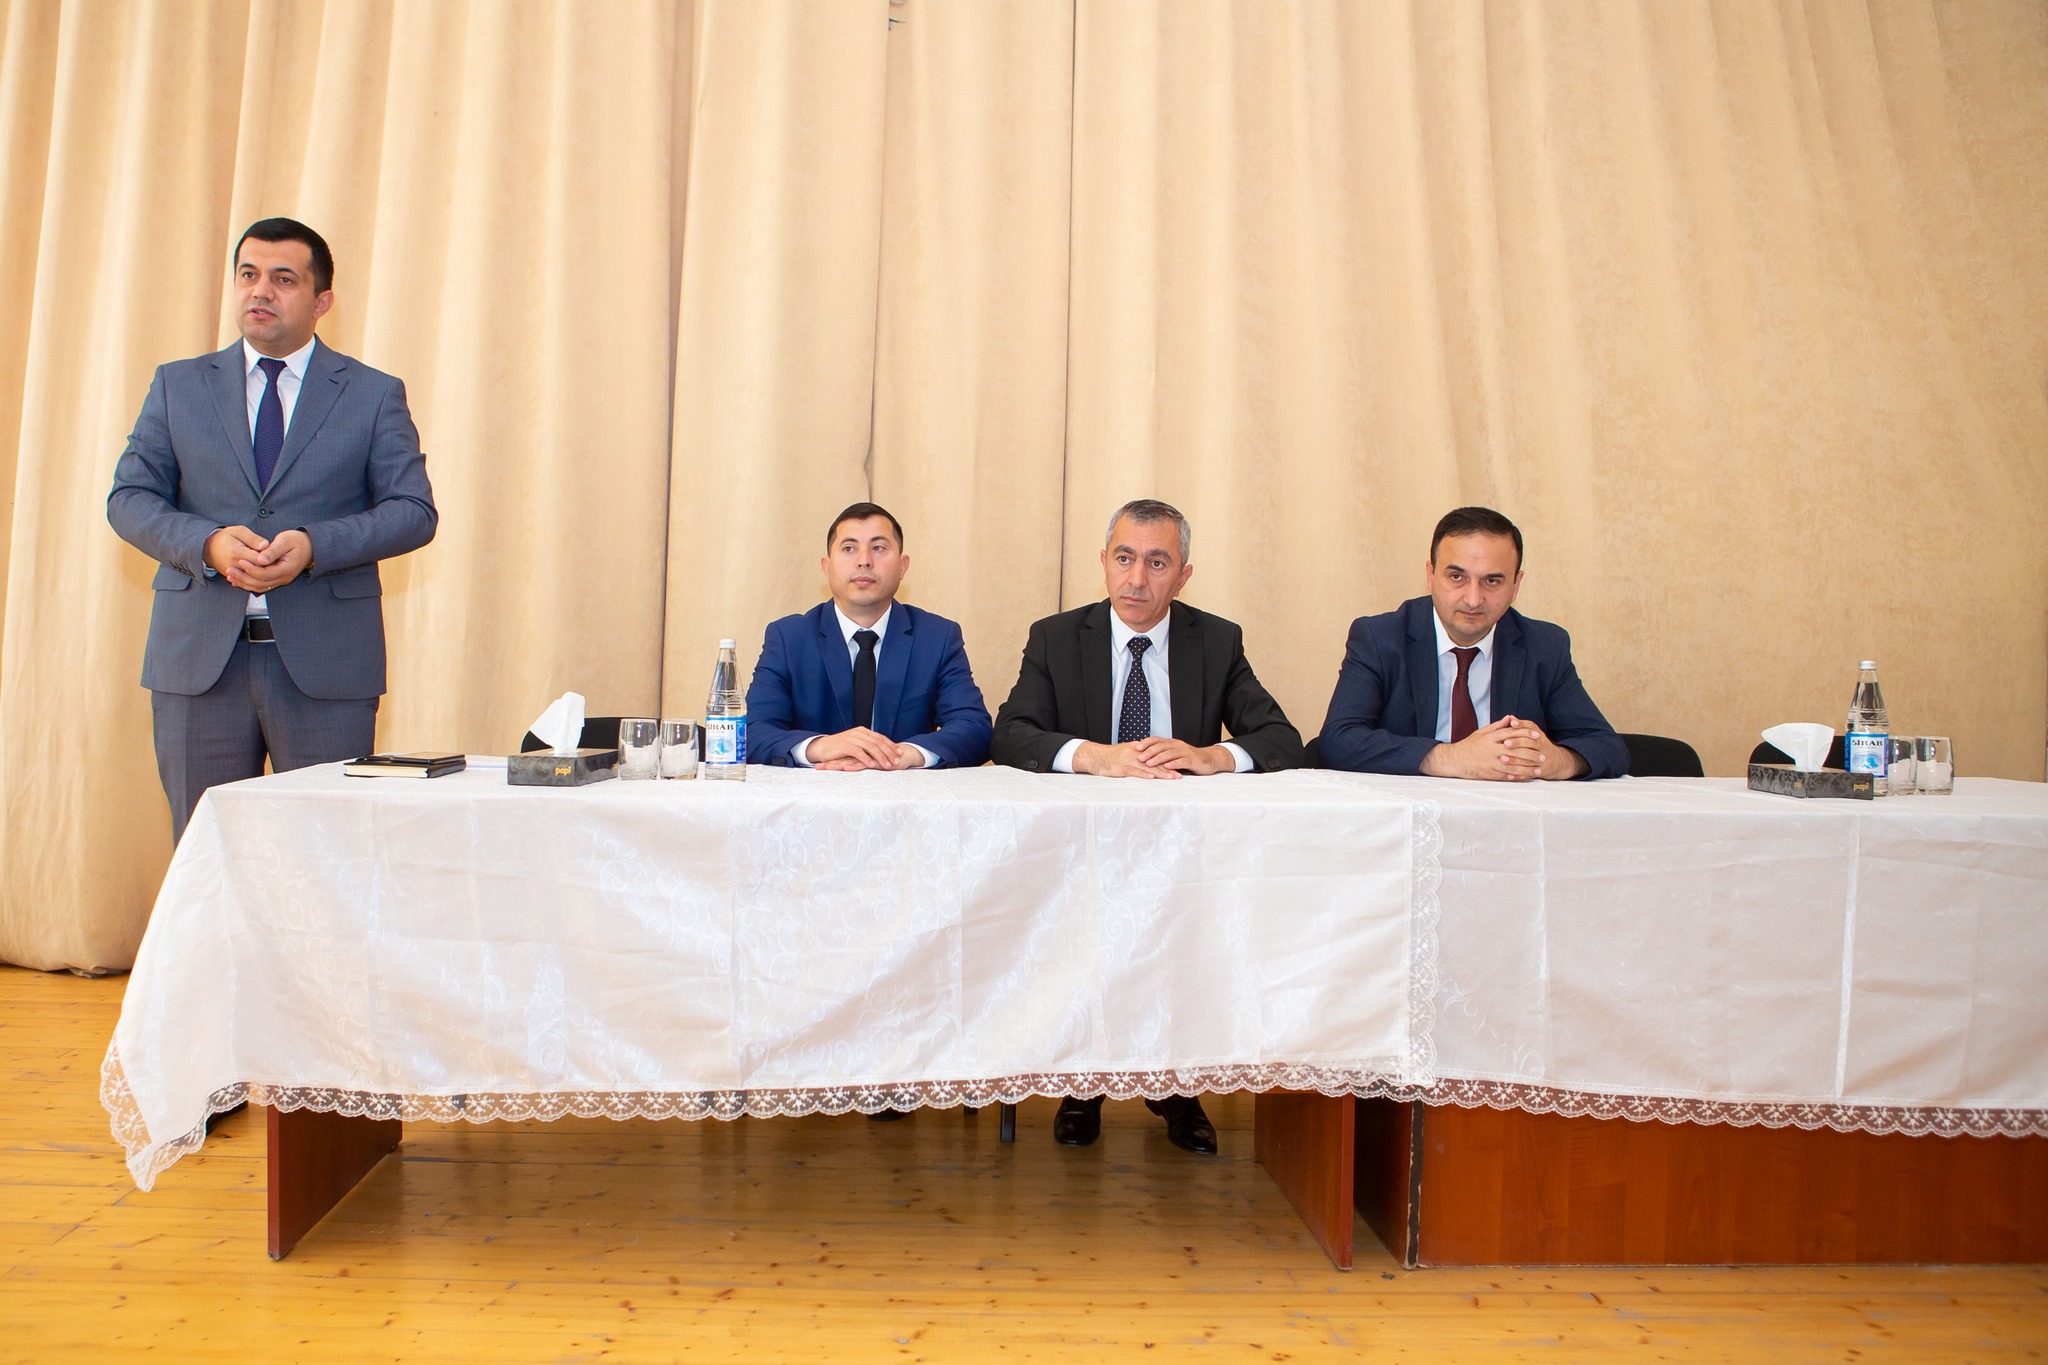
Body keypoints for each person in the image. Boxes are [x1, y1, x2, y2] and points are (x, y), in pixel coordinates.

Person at [108, 217, 438, 843]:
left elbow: (413, 511)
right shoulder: (178, 385)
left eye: (283, 279)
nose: (260, 290)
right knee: (208, 854)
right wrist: (207, 544)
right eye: (248, 275)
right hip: (198, 664)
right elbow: (129, 498)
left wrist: (315, 546)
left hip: (325, 668)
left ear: (321, 301)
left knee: (327, 855)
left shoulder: (372, 394)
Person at [990, 498, 1304, 1155]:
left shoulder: (1215, 640)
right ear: (1103, 563)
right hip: (1082, 849)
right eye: (1125, 558)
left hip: (1181, 853)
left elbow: (1282, 738)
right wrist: (1096, 757)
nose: (1137, 579)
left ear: (1183, 576)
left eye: (1157, 563)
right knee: (1089, 937)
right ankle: (1085, 1085)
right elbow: (1010, 732)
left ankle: (1177, 1088)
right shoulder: (1056, 637)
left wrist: (1212, 756)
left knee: (1182, 942)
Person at [1318, 506, 1626, 781]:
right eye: (1457, 577)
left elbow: (1607, 747)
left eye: (1492, 581)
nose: (1474, 599)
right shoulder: (1380, 637)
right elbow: (1338, 740)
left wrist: (1555, 761)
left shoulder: (1544, 646)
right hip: (1413, 811)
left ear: (1515, 585)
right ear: (1431, 575)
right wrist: (1452, 758)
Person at [746, 502, 992, 772]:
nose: (864, 560)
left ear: (903, 566)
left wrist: (903, 754)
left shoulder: (937, 637)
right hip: (813, 793)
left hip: (903, 793)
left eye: (878, 548)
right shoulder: (788, 638)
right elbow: (752, 730)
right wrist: (820, 747)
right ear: (827, 567)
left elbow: (974, 728)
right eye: (849, 548)